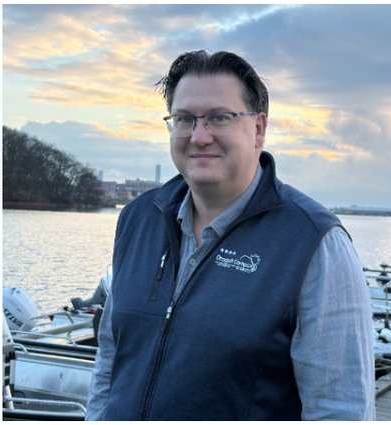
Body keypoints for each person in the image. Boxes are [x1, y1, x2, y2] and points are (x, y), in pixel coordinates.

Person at [86, 50, 375, 420]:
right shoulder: (138, 219)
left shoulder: (315, 241)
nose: (199, 136)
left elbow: (340, 407)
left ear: (258, 129)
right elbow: (110, 361)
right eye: (185, 119)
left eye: (219, 118)